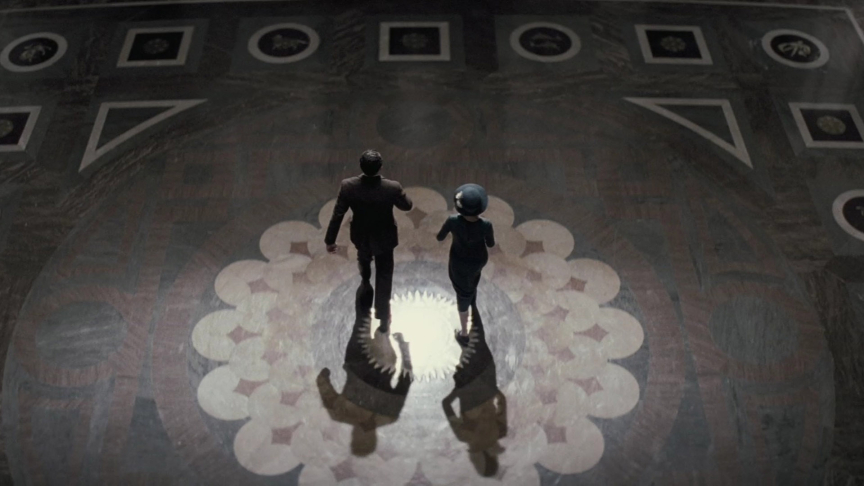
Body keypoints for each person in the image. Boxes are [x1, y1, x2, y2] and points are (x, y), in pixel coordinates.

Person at [325, 150, 413, 333]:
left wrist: (330, 240)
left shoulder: (348, 186)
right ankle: (383, 317)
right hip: (385, 237)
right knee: (385, 275)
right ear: (380, 167)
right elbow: (407, 206)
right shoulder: (392, 187)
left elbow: (338, 214)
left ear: (361, 166)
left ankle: (365, 280)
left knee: (363, 257)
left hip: (361, 235)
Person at [436, 183, 495, 346]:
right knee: (473, 278)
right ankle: (472, 295)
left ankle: (464, 333)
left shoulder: (452, 221)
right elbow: (490, 244)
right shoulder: (486, 225)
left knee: (462, 294)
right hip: (478, 260)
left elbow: (440, 237)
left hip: (459, 263)